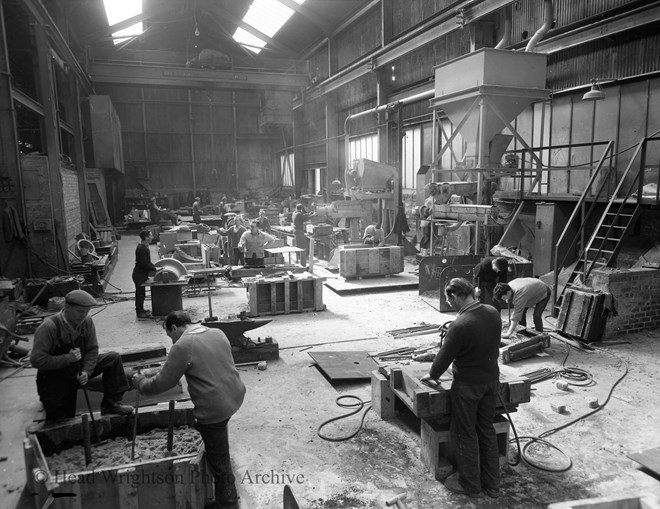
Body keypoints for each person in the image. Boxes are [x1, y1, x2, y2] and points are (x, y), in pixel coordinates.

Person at [132, 311, 245, 509]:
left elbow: (160, 385)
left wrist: (139, 382)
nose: (171, 341)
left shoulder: (182, 345)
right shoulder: (216, 332)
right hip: (234, 395)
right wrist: (158, 369)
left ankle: (228, 503)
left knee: (219, 460)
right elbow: (191, 362)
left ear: (174, 328)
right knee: (218, 441)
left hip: (214, 408)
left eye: (170, 336)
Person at [420, 278, 501, 499]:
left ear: (455, 296)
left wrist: (432, 375)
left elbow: (443, 358)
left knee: (466, 434)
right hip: (491, 381)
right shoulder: (493, 312)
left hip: (468, 386)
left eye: (450, 301)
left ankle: (471, 485)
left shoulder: (461, 325)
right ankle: (493, 485)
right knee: (486, 429)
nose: (451, 305)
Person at [30, 289, 133, 421]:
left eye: (86, 312)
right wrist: (67, 359)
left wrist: (86, 371)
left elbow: (92, 350)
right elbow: (36, 360)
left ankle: (111, 405)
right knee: (63, 419)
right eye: (80, 312)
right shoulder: (49, 327)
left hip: (78, 369)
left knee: (112, 359)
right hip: (55, 377)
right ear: (67, 307)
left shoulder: (86, 321)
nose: (83, 316)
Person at [132, 230, 157, 318]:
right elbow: (145, 264)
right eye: (151, 235)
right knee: (139, 294)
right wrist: (155, 269)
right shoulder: (141, 248)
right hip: (139, 275)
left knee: (142, 294)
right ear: (146, 237)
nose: (152, 237)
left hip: (141, 274)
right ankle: (139, 312)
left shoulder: (144, 247)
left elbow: (148, 262)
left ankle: (141, 310)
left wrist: (156, 267)